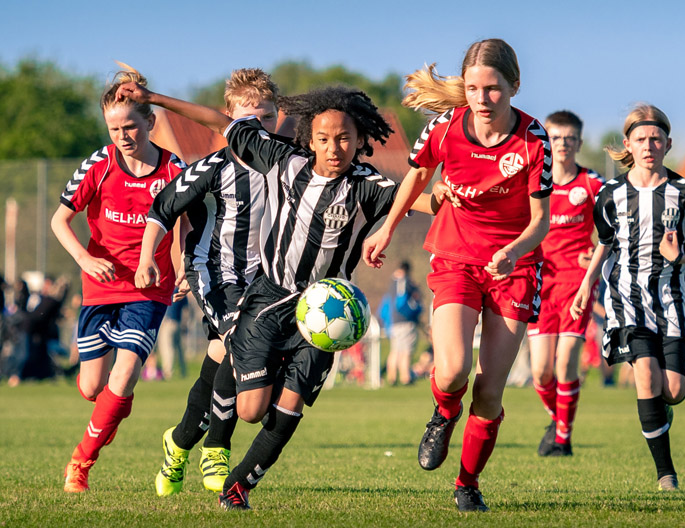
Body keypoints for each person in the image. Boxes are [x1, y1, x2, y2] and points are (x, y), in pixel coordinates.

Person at [120, 82, 437, 510]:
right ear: (310, 139)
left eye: (345, 138)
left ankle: (237, 487)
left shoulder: (367, 184)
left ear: (361, 138)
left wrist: (450, 196)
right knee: (251, 410)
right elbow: (223, 123)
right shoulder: (284, 160)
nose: (334, 148)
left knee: (290, 406)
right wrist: (155, 99)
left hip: (325, 312)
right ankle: (205, 434)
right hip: (268, 300)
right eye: (324, 138)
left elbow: (420, 199)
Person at [364, 38, 552, 511]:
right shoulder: (445, 127)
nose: (482, 99)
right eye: (472, 88)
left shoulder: (534, 139)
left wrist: (513, 251)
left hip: (514, 268)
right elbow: (415, 176)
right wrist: (387, 229)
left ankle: (467, 483)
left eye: (493, 89)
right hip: (456, 257)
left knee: (489, 391)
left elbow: (540, 222)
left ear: (515, 86)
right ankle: (444, 413)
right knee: (450, 372)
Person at [118, 68, 282, 496]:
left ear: (277, 117)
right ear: (228, 118)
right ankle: (216, 448)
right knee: (237, 344)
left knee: (219, 358)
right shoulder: (212, 167)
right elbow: (162, 209)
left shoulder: (286, 163)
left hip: (263, 281)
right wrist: (146, 259)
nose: (257, 127)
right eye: (246, 119)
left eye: (266, 117)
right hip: (215, 273)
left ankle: (178, 443)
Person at [570, 104, 685, 491]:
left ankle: (659, 414)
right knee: (646, 376)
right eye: (641, 139)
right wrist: (587, 283)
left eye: (656, 138)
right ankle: (666, 474)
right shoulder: (610, 194)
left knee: (674, 390)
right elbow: (604, 242)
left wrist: (682, 256)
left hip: (671, 302)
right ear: (628, 144)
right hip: (626, 300)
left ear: (668, 144)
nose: (649, 145)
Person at [50, 64, 186, 493]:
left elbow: (187, 224)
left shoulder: (174, 169)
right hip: (101, 284)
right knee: (94, 388)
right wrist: (85, 260)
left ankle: (80, 463)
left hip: (149, 288)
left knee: (123, 376)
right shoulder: (100, 163)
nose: (123, 136)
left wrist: (183, 266)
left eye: (130, 126)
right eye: (114, 129)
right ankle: (113, 404)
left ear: (150, 122)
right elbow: (59, 220)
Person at [526, 111, 603, 457]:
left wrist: (597, 255)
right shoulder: (531, 182)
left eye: (570, 138)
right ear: (547, 142)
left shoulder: (592, 183)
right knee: (541, 372)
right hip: (539, 283)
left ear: (579, 143)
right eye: (556, 137)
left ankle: (562, 440)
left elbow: (616, 227)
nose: (562, 144)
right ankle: (560, 421)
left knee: (566, 361)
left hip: (577, 282)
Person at [385, 260, 422, 386]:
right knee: (406, 350)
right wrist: (415, 313)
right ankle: (405, 377)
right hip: (405, 321)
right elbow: (404, 301)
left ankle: (392, 377)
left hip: (393, 321)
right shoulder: (404, 282)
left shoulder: (392, 282)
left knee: (395, 350)